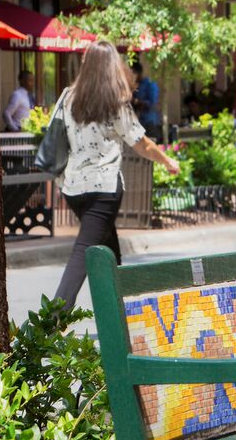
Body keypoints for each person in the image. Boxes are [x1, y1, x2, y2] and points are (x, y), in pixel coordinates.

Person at [53, 41, 180, 306]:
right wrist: (167, 160)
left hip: (73, 187)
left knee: (109, 248)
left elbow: (56, 134)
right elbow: (140, 142)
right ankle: (50, 323)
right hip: (104, 189)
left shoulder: (67, 96)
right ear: (113, 66)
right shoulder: (114, 100)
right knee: (84, 252)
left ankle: (122, 311)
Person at [129, 62, 162, 138]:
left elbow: (152, 104)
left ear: (138, 73)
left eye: (132, 73)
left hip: (149, 122)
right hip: (138, 122)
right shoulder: (136, 85)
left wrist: (136, 101)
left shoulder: (150, 84)